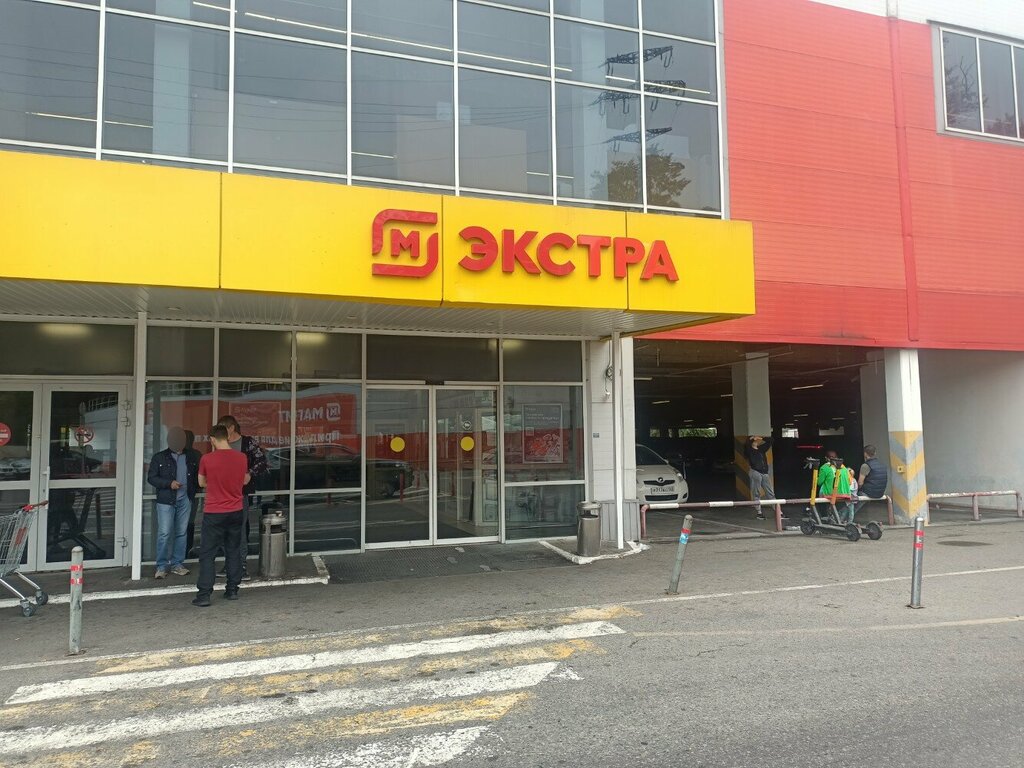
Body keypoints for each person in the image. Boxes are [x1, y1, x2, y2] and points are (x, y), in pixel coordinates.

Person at [194, 424, 250, 607]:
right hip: (236, 510)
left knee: (207, 554)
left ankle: (204, 595)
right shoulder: (241, 458)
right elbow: (245, 479)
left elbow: (201, 483)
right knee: (233, 551)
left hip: (214, 512)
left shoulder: (207, 459)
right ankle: (232, 589)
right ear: (227, 437)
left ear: (212, 439)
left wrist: (214, 480)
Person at [216, 415, 269, 580]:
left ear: (231, 428)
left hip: (240, 493)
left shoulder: (247, 443)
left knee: (239, 529)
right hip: (222, 493)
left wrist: (249, 473)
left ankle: (242, 565)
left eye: (223, 429)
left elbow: (262, 461)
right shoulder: (221, 444)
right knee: (224, 530)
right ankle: (229, 563)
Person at [147, 426, 200, 579]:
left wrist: (193, 490)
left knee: (181, 533)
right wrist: (169, 483)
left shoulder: (192, 457)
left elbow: (198, 476)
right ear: (169, 440)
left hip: (185, 499)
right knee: (164, 533)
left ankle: (177, 564)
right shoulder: (159, 457)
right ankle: (161, 566)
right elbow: (151, 478)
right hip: (166, 500)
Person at [744, 435, 775, 519]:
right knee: (756, 493)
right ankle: (759, 512)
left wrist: (761, 437)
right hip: (755, 472)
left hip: (764, 473)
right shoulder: (749, 450)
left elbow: (771, 440)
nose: (756, 440)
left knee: (770, 493)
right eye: (754, 440)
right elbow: (746, 444)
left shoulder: (761, 449)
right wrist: (751, 438)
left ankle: (778, 512)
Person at [856, 444, 889, 515]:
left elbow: (860, 483)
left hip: (869, 493)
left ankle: (841, 518)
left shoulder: (865, 466)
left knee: (852, 502)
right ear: (875, 453)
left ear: (865, 453)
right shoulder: (882, 464)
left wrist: (856, 491)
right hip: (880, 493)